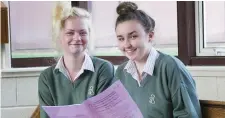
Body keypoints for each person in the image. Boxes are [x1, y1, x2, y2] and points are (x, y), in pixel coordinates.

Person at [114, 2, 202, 118]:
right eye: (121, 38)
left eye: (133, 36)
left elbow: (188, 115)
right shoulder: (121, 72)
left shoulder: (171, 67)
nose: (126, 45)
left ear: (150, 36)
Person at [38, 2, 114, 118]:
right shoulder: (47, 78)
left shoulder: (103, 69)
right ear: (60, 37)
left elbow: (103, 115)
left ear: (89, 36)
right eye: (70, 33)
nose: (77, 38)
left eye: (83, 33)